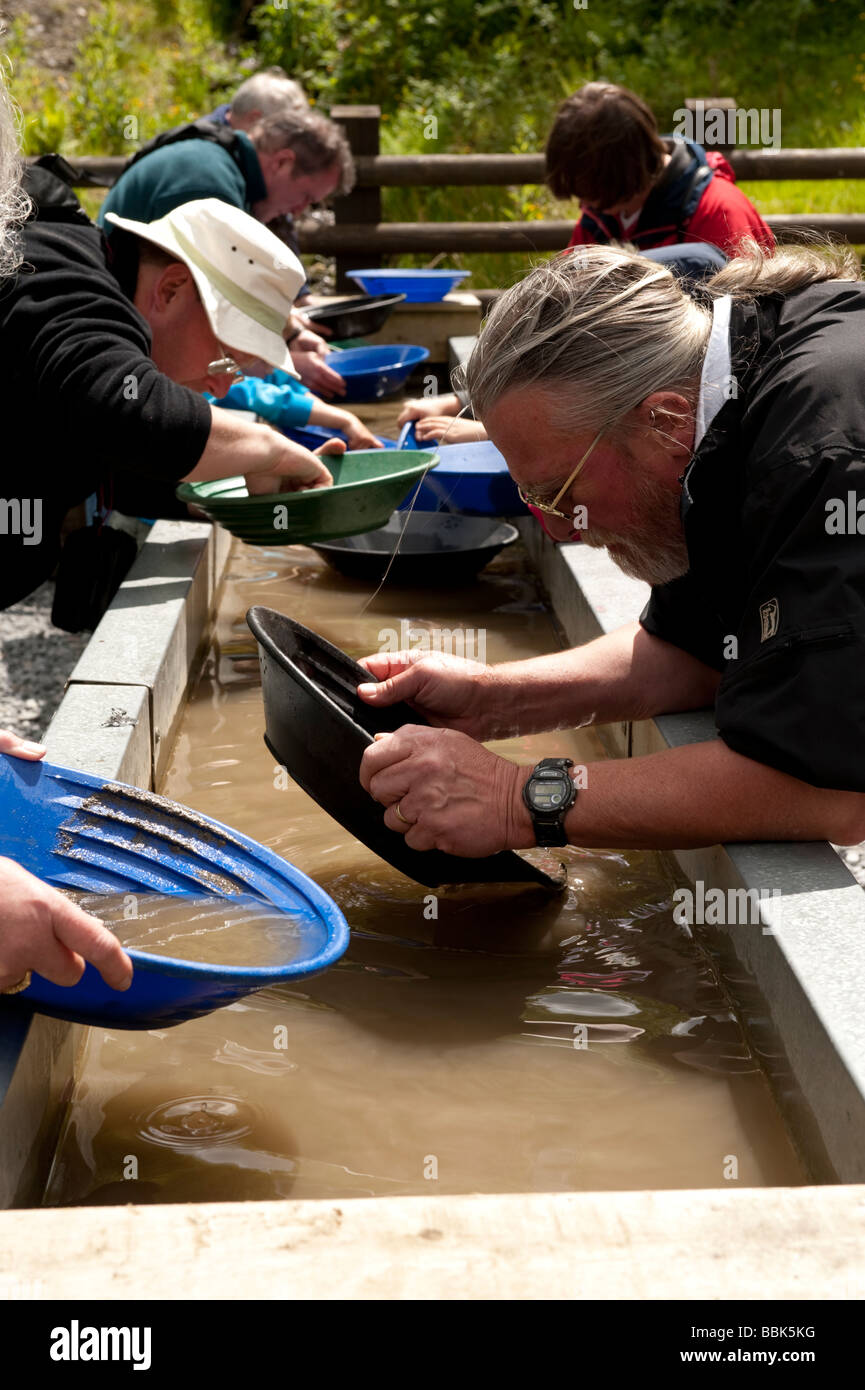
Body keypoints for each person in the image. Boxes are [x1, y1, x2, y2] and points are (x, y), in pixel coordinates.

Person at [355, 241, 865, 857]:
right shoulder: (726, 392)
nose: (559, 530)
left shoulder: (820, 449)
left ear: (666, 423)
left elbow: (826, 785)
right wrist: (494, 700)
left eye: (559, 492)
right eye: (530, 497)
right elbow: (698, 650)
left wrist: (510, 797)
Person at [0, 170, 341, 613]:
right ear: (172, 288)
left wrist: (224, 494)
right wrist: (269, 450)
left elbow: (108, 450)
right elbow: (119, 408)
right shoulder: (63, 280)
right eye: (226, 359)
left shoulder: (84, 275)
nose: (221, 385)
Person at [98, 104, 354, 397]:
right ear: (283, 162)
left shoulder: (222, 165)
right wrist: (282, 365)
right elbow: (199, 322)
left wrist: (291, 336)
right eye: (306, 197)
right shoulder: (209, 185)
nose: (299, 212)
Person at [545, 83, 774, 261]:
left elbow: (745, 313)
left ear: (623, 173)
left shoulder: (719, 213)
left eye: (589, 190)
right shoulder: (601, 216)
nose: (582, 204)